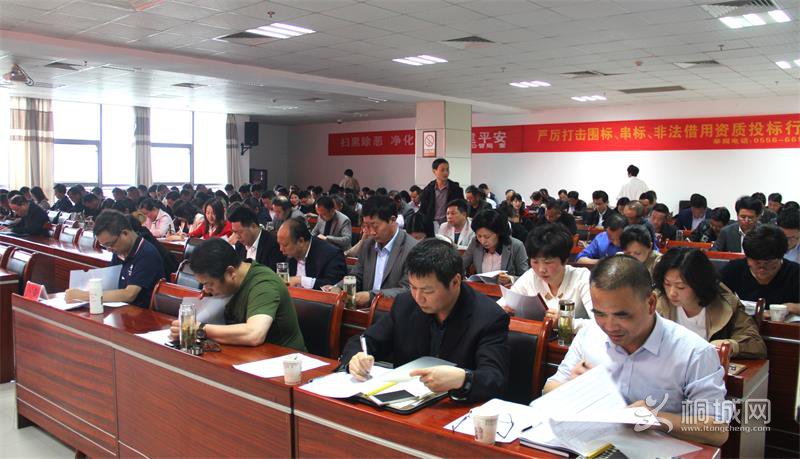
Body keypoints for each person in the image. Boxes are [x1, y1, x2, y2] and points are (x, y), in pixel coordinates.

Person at [543, 255, 731, 447]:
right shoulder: (590, 334)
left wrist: (656, 418)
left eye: (622, 315)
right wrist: (572, 388)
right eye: (599, 314)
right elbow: (550, 387)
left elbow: (717, 430)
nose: (609, 326)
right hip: (591, 444)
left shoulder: (694, 352)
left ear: (651, 303)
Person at [341, 239, 510, 403]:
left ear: (455, 282)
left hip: (454, 407)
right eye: (413, 287)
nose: (418, 298)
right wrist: (356, 360)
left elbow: (494, 378)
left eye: (427, 291)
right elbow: (364, 341)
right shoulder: (405, 304)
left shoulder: (489, 317)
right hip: (403, 403)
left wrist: (462, 378)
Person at [167, 238, 306, 350]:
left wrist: (198, 328)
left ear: (230, 272)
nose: (206, 289)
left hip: (284, 361)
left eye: (209, 284)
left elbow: (254, 334)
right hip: (246, 355)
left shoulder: (264, 284)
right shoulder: (233, 281)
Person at [654, 248, 766, 359]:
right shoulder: (657, 303)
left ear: (699, 284)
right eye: (667, 284)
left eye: (680, 286)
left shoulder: (725, 304)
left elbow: (756, 344)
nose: (672, 293)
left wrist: (730, 346)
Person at [328, 195, 417, 307]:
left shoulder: (413, 249)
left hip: (392, 311)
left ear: (392, 220)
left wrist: (372, 296)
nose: (371, 232)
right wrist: (339, 288)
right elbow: (357, 275)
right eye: (366, 226)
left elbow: (408, 289)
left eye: (375, 226)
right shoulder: (368, 244)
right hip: (364, 310)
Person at [65, 210, 165, 308]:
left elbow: (129, 295)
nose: (109, 249)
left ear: (125, 233)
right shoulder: (120, 250)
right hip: (121, 309)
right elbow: (110, 282)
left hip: (142, 313)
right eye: (105, 246)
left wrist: (82, 295)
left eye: (110, 244)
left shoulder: (147, 253)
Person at [498, 224, 593, 326]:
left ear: (565, 260)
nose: (541, 269)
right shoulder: (531, 276)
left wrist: (564, 322)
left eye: (547, 262)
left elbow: (600, 323)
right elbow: (502, 304)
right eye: (535, 262)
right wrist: (503, 311)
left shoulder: (582, 277)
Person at [720, 225, 800, 309]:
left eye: (768, 263)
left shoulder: (795, 273)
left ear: (781, 257)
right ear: (747, 257)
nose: (762, 269)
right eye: (757, 263)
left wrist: (789, 307)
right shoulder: (735, 268)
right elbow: (714, 295)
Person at [461, 209, 528, 286]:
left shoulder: (516, 246)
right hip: (482, 289)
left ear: (499, 233)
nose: (482, 241)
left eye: (487, 237)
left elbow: (526, 278)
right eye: (479, 236)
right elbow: (461, 264)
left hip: (505, 291)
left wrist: (511, 279)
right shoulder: (475, 242)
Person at [278, 217, 347, 290]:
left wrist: (301, 280)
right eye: (279, 244)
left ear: (301, 241)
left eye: (285, 245)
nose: (281, 249)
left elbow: (335, 285)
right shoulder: (289, 254)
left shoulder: (331, 254)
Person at [228, 207, 285, 271]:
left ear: (253, 226)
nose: (237, 236)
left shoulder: (273, 244)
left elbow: (274, 274)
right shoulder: (239, 246)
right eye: (235, 232)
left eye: (240, 232)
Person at [419, 158, 464, 225]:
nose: (446, 173)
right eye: (442, 170)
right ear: (434, 171)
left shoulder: (456, 189)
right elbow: (423, 210)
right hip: (431, 224)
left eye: (447, 170)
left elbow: (462, 208)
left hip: (450, 224)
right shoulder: (427, 190)